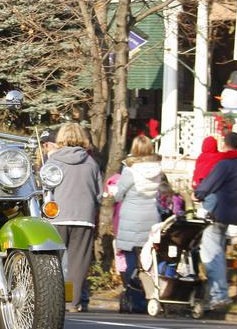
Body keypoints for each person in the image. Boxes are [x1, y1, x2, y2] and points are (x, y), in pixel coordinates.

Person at [47, 123, 103, 312]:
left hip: (57, 216)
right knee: (78, 263)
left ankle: (52, 300)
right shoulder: (91, 163)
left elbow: (46, 189)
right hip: (83, 217)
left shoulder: (53, 161)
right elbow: (98, 194)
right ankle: (72, 302)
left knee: (52, 261)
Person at [194, 131, 237, 312]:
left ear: (224, 144)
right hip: (230, 213)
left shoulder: (224, 164)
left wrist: (198, 194)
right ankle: (217, 294)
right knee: (217, 251)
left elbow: (210, 183)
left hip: (216, 212)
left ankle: (219, 296)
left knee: (211, 255)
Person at [114, 134, 164, 313]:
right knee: (148, 260)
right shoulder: (158, 169)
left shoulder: (130, 170)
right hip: (151, 217)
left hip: (131, 217)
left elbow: (119, 194)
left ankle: (133, 294)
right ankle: (149, 293)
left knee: (130, 258)